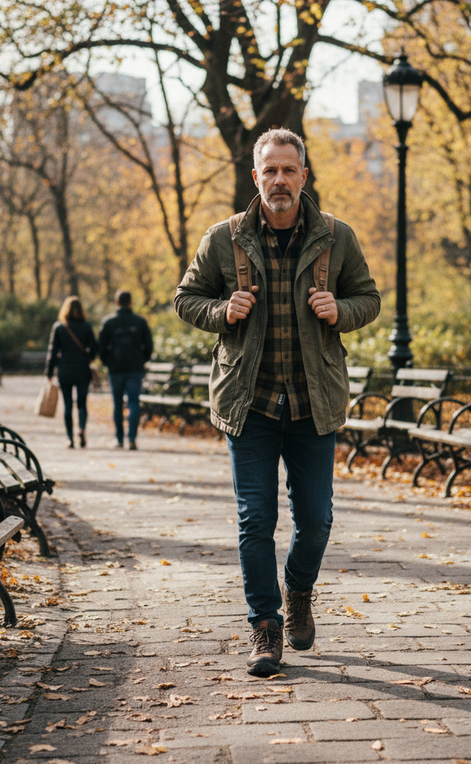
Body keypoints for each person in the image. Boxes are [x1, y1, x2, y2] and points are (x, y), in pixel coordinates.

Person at [174, 128, 381, 676]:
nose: (280, 181)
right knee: (254, 521)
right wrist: (223, 312)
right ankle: (265, 627)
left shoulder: (337, 237)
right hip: (251, 404)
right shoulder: (224, 239)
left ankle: (298, 590)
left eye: (290, 170)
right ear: (255, 176)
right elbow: (185, 298)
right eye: (271, 171)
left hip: (314, 402)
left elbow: (370, 298)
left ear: (304, 176)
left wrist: (341, 310)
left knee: (315, 520)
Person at [98, 290, 153, 450]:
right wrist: (142, 360)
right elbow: (149, 345)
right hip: (135, 368)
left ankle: (119, 439)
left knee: (117, 403)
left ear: (117, 303)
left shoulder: (108, 322)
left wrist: (107, 362)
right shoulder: (140, 321)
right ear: (130, 302)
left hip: (115, 369)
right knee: (134, 402)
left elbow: (101, 347)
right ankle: (132, 439)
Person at [46, 296, 98, 449]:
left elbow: (53, 351)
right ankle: (81, 429)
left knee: (68, 404)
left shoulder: (59, 327)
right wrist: (88, 357)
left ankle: (70, 438)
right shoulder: (86, 327)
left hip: (65, 370)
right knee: (82, 403)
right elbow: (94, 348)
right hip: (82, 369)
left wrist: (49, 372)